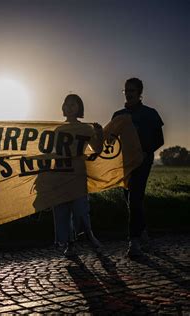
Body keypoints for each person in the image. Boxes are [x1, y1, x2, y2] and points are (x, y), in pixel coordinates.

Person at [112, 77, 164, 258]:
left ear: (140, 92)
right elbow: (111, 140)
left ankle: (133, 243)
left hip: (143, 162)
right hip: (124, 164)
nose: (128, 93)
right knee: (130, 199)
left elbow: (160, 140)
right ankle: (142, 233)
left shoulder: (151, 114)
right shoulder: (118, 115)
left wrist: (144, 152)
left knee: (134, 198)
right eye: (126, 90)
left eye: (132, 90)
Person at [52, 94, 103, 256]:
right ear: (62, 107)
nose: (69, 107)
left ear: (79, 108)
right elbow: (51, 153)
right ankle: (70, 244)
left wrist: (99, 133)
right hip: (60, 175)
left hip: (78, 175)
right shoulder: (58, 129)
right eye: (66, 104)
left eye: (73, 104)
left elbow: (97, 149)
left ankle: (88, 234)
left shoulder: (85, 129)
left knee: (80, 210)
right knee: (62, 212)